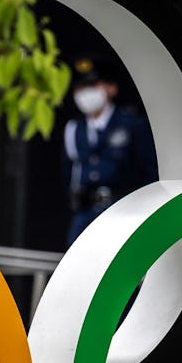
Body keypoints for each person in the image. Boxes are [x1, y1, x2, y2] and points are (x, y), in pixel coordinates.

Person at [62, 57, 158, 246]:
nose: (85, 93)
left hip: (124, 213)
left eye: (93, 85)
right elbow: (67, 173)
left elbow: (150, 172)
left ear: (111, 88)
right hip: (84, 215)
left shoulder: (131, 125)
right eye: (80, 88)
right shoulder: (74, 129)